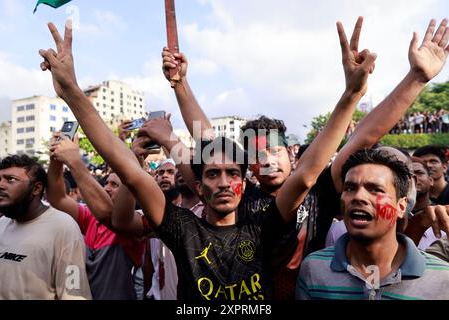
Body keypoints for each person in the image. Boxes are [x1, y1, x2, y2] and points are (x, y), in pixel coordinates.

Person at [39, 16, 371, 299]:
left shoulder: (263, 224)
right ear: (199, 185)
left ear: (245, 181)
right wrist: (71, 91)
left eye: (232, 173)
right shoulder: (182, 228)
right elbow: (126, 165)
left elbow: (309, 171)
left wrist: (351, 96)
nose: (224, 182)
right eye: (213, 174)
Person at [296, 149, 449, 300]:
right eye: (350, 188)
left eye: (376, 189)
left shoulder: (441, 278)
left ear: (401, 207)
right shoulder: (314, 269)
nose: (358, 197)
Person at [47, 133, 145, 299]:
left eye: (115, 185)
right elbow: (58, 198)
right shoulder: (90, 216)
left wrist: (74, 161)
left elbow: (111, 215)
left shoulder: (135, 223)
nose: (106, 188)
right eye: (106, 182)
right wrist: (56, 158)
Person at [0, 154, 91, 299]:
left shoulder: (62, 226)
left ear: (36, 188)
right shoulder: (1, 224)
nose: (0, 185)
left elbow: (73, 294)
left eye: (11, 179)